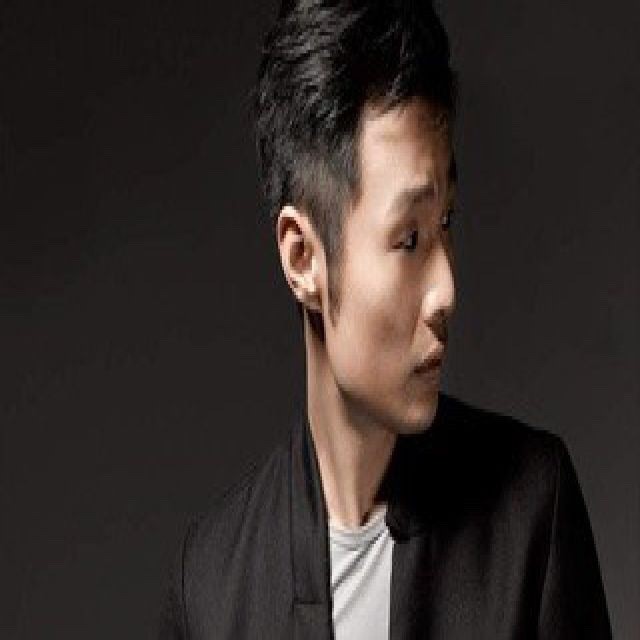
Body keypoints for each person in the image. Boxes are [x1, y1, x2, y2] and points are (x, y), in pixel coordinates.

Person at [159, 0, 612, 637]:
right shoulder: (211, 585)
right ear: (302, 259)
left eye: (446, 223)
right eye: (408, 239)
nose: (446, 290)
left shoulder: (532, 510)